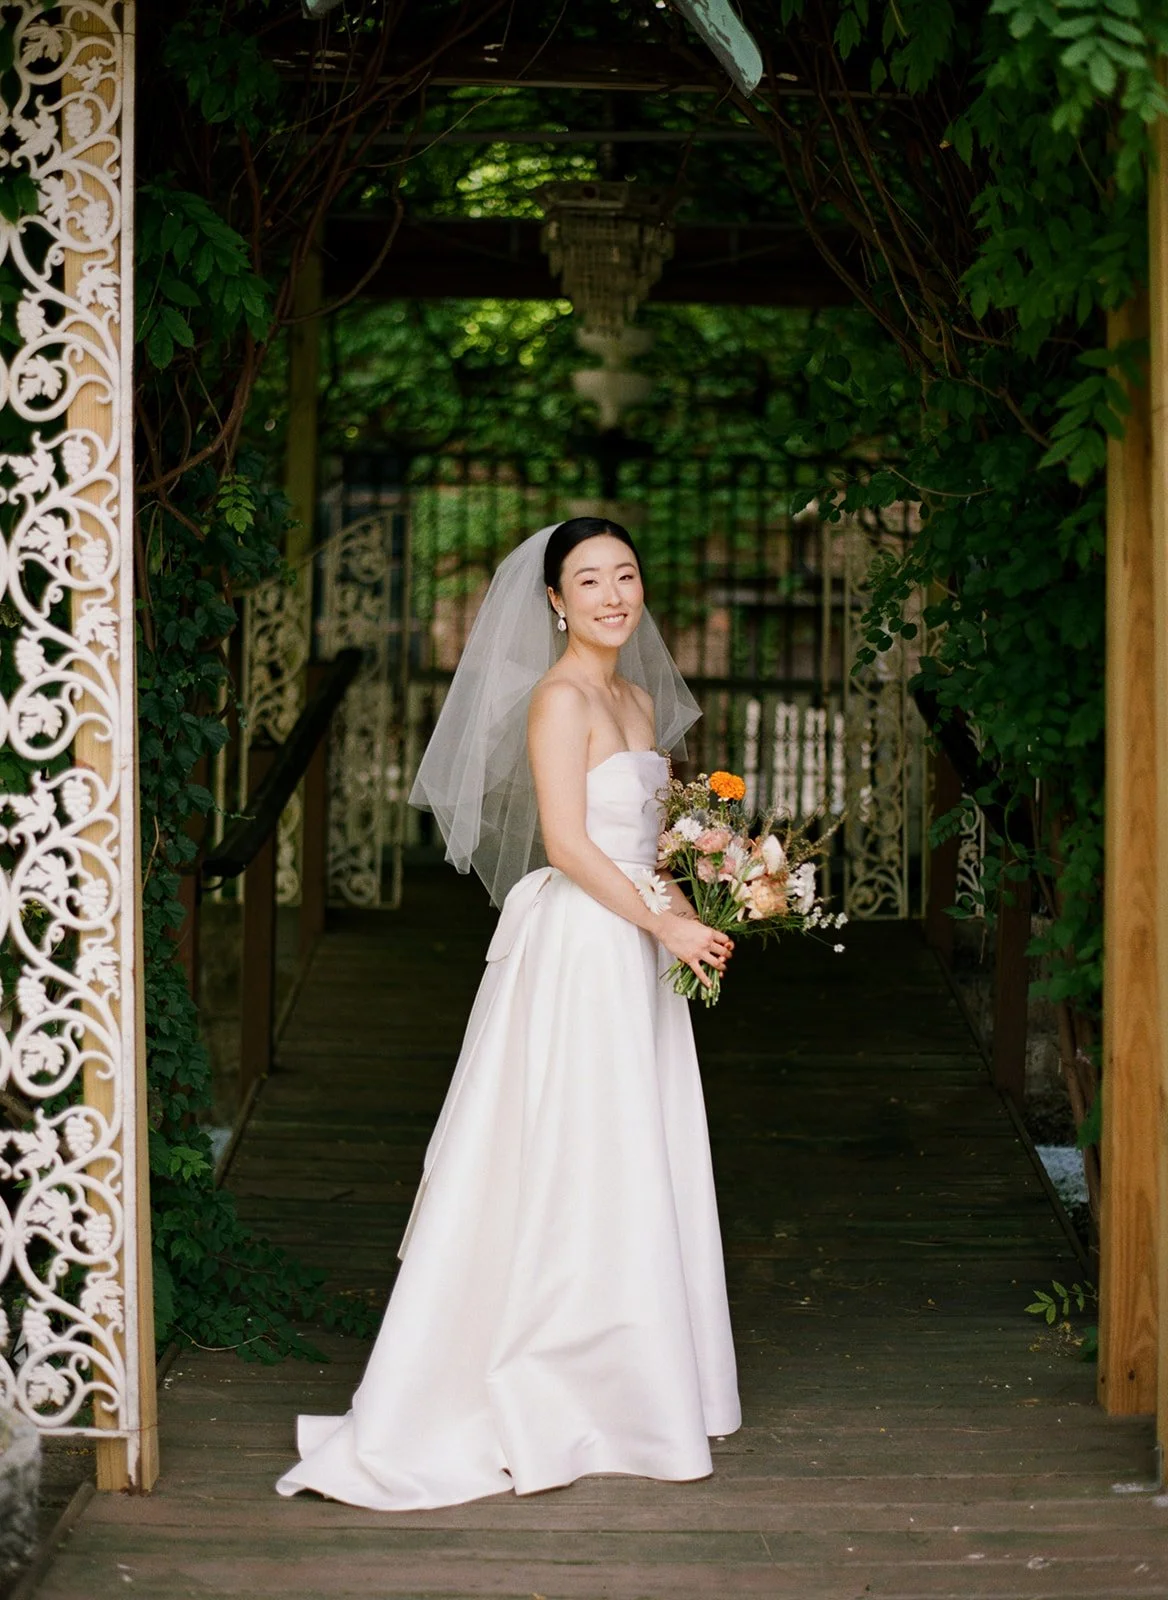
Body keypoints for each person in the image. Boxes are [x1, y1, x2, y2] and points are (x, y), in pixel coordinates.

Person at [275, 518, 741, 1512]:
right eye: (589, 580)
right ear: (555, 602)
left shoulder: (637, 697)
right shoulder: (559, 697)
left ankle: (632, 1387)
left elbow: (651, 840)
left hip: (638, 940)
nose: (613, 594)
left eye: (625, 574)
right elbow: (569, 844)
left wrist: (698, 904)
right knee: (572, 1149)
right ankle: (543, 1380)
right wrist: (660, 921)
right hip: (584, 946)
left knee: (635, 1148)